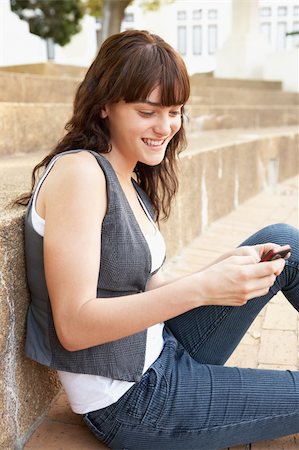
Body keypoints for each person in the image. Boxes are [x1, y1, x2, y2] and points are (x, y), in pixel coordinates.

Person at [19, 30, 299, 450]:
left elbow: (144, 283)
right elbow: (74, 326)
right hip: (132, 401)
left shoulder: (127, 174)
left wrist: (222, 269)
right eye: (148, 111)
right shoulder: (80, 174)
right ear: (104, 105)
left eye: (175, 111)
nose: (165, 127)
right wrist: (203, 288)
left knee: (282, 240)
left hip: (161, 349)